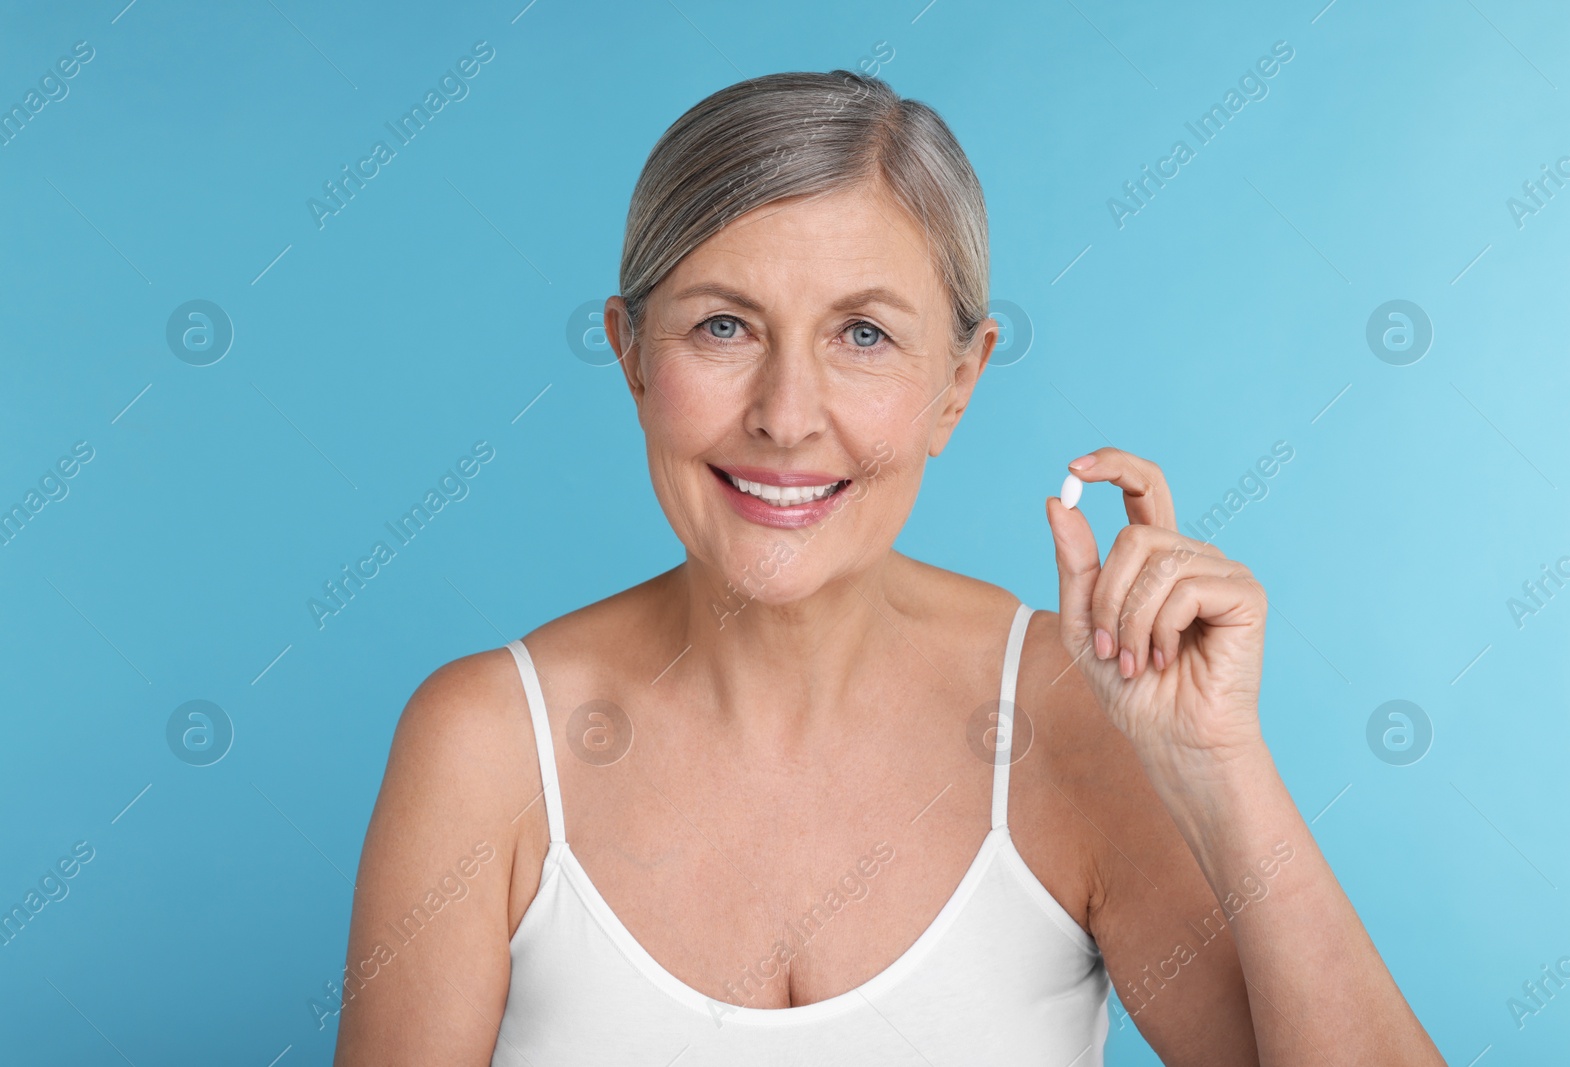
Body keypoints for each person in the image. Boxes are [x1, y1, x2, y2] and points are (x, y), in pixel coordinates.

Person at [332, 69, 1444, 1065]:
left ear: (956, 385)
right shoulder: (484, 745)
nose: (784, 415)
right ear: (629, 352)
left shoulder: (1069, 717)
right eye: (724, 327)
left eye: (862, 335)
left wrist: (1219, 764)